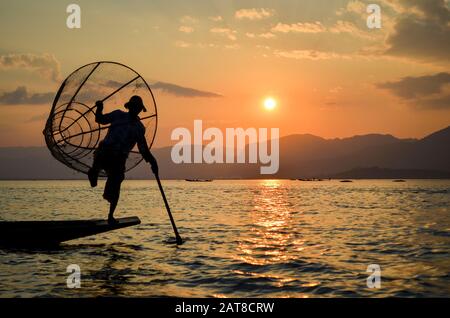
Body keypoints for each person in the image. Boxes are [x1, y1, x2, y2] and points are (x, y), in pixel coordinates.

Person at [88, 95, 158, 224]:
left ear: (139, 110)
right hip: (105, 152)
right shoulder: (118, 115)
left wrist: (153, 162)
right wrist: (99, 108)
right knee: (102, 160)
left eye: (137, 108)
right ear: (129, 107)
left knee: (116, 184)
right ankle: (94, 172)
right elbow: (100, 119)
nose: (135, 109)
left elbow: (143, 149)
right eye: (133, 107)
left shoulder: (139, 128)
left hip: (118, 158)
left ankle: (110, 216)